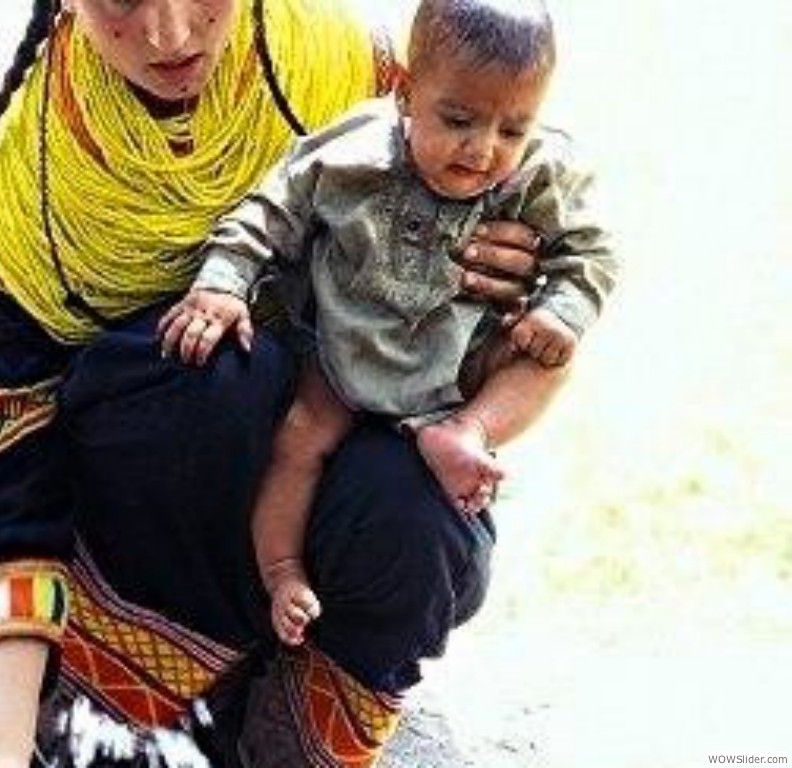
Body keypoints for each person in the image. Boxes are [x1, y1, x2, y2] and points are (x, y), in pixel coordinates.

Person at [0, 0, 545, 766]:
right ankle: (120, 701)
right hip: (151, 536)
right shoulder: (37, 192)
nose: (171, 36)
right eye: (121, 0)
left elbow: (515, 218)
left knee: (419, 509)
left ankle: (297, 721)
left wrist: (511, 274)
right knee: (218, 369)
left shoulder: (361, 76)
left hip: (327, 490)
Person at [157, 0, 617, 647]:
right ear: (405, 91)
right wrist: (222, 284)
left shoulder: (543, 173)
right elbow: (268, 212)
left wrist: (559, 310)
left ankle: (465, 433)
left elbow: (590, 255)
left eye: (512, 129)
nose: (483, 150)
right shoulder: (352, 152)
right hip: (348, 353)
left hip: (459, 363)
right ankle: (283, 571)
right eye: (457, 119)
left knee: (552, 355)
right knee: (298, 441)